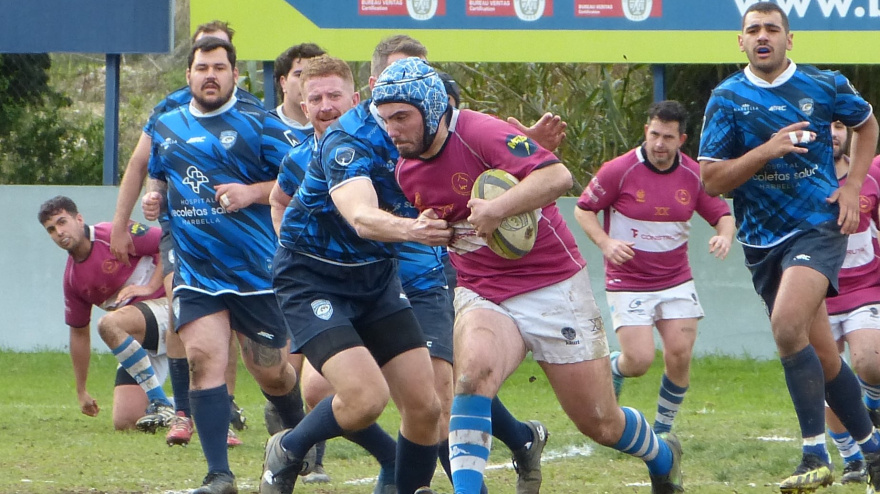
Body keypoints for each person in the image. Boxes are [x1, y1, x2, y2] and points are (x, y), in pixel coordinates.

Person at [373, 57, 683, 494]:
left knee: (600, 422)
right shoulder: (406, 170)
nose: (392, 129)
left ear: (432, 109)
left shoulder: (480, 132)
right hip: (482, 290)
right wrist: (429, 229)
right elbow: (445, 224)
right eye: (385, 119)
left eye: (402, 117)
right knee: (472, 376)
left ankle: (664, 457)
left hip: (551, 283)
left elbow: (558, 176)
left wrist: (497, 209)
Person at [698, 3, 880, 492]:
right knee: (823, 355)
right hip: (761, 240)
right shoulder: (726, 99)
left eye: (772, 29)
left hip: (817, 225)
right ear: (741, 41)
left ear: (789, 39)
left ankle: (813, 454)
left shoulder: (824, 85)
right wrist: (766, 150)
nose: (763, 36)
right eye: (753, 29)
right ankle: (875, 451)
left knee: (785, 325)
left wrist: (852, 187)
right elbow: (711, 180)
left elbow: (867, 125)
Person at [143, 37, 303, 494]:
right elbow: (159, 174)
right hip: (196, 270)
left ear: (234, 74)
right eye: (202, 68)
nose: (210, 75)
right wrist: (154, 198)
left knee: (270, 370)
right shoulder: (167, 124)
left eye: (218, 67)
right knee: (202, 360)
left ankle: (298, 437)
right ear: (188, 75)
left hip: (255, 270)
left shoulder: (259, 123)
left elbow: (299, 178)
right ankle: (219, 475)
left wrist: (251, 192)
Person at [110, 20, 252, 447]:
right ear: (190, 65)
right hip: (182, 231)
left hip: (235, 235)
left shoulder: (251, 111)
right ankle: (184, 413)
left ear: (233, 65)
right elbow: (145, 164)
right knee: (181, 309)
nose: (211, 70)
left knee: (226, 322)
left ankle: (223, 411)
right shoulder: (169, 109)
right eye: (202, 58)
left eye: (219, 57)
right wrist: (130, 215)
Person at [574, 100, 735, 434]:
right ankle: (615, 368)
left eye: (668, 137)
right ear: (646, 131)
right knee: (639, 360)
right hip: (629, 279)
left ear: (682, 140)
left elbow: (723, 215)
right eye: (655, 134)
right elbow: (583, 209)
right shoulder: (619, 170)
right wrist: (606, 243)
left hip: (676, 280)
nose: (660, 143)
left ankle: (662, 431)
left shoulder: (693, 174)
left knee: (680, 353)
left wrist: (724, 236)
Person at [39, 196, 172, 431]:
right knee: (127, 421)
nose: (59, 232)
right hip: (142, 334)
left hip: (171, 311)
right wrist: (81, 390)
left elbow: (169, 243)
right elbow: (79, 334)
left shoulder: (112, 234)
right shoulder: (72, 280)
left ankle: (160, 402)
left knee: (109, 324)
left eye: (62, 222)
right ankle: (187, 407)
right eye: (51, 229)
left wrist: (150, 287)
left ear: (79, 219)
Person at [822, 121, 880, 484]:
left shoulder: (869, 179)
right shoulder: (801, 180)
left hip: (865, 289)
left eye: (840, 125)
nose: (833, 133)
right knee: (825, 378)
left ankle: (872, 409)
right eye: (826, 124)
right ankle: (852, 459)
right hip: (818, 293)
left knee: (870, 362)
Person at [270, 42, 326, 143]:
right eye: (299, 75)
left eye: (315, 75)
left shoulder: (335, 128)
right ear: (283, 82)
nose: (307, 82)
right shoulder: (264, 126)